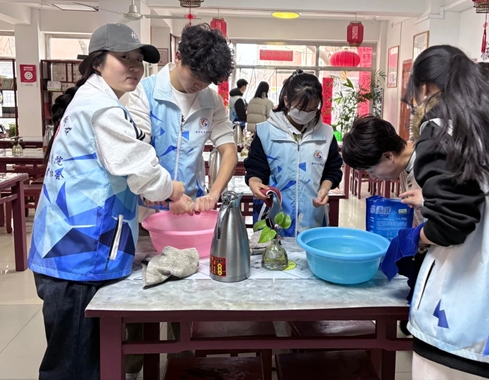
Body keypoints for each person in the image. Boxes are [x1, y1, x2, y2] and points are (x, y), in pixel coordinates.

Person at [28, 23, 185, 380]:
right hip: (76, 254)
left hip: (69, 249)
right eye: (123, 57)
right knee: (73, 366)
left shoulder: (95, 100)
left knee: (82, 358)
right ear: (97, 62)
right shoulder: (103, 109)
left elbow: (106, 178)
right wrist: (173, 189)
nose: (134, 67)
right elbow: (141, 171)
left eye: (138, 60)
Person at [403, 45, 489, 380]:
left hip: (457, 318)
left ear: (425, 88)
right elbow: (482, 198)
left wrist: (417, 238)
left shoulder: (443, 130)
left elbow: (450, 224)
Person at [127, 23, 237, 216]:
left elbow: (229, 151)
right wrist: (167, 194)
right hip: (147, 208)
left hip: (191, 208)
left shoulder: (211, 102)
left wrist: (213, 194)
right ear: (178, 58)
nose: (199, 85)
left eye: (207, 81)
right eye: (195, 76)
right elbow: (137, 152)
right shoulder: (146, 93)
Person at [244, 71, 343, 236]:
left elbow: (332, 170)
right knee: (273, 250)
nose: (307, 114)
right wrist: (254, 182)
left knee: (309, 250)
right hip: (272, 216)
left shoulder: (326, 134)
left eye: (313, 109)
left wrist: (325, 189)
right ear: (286, 101)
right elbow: (256, 168)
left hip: (312, 217)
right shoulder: (266, 131)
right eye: (301, 109)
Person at [341, 115, 423, 225]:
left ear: (388, 156)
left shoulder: (431, 162)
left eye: (371, 171)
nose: (373, 177)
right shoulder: (404, 166)